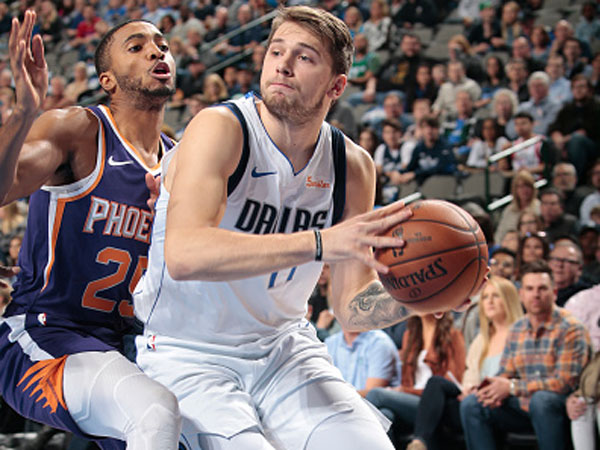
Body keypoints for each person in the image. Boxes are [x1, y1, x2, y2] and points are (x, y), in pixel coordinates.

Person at [133, 6, 473, 450]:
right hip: (189, 352)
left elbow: (350, 307)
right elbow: (184, 255)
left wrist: (422, 296)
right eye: (276, 51)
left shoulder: (352, 166)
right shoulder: (221, 128)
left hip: (284, 349)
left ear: (337, 86)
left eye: (305, 57)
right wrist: (320, 242)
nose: (283, 64)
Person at [0, 13, 182, 448]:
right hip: (45, 335)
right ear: (108, 80)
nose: (158, 51)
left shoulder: (181, 162)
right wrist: (25, 111)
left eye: (162, 44)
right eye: (136, 47)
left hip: (134, 348)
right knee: (154, 412)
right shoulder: (79, 130)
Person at [460, 261, 591, 450]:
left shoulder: (571, 328)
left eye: (542, 288)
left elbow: (564, 383)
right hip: (522, 404)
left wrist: (512, 387)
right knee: (473, 404)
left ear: (554, 292)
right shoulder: (517, 329)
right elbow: (506, 372)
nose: (535, 294)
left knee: (542, 400)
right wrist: (488, 389)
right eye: (529, 289)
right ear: (521, 295)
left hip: (561, 404)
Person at [406, 277, 523, 450]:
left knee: (439, 410)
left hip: (503, 401)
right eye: (485, 297)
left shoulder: (521, 334)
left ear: (509, 300)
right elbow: (470, 375)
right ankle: (420, 442)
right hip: (475, 396)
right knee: (436, 387)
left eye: (496, 296)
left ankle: (421, 439)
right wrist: (468, 388)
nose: (489, 301)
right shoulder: (482, 339)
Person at [366, 313, 465, 443]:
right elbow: (407, 380)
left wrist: (406, 391)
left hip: (435, 404)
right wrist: (405, 391)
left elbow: (452, 381)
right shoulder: (410, 335)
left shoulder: (453, 335)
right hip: (410, 400)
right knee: (385, 415)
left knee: (376, 394)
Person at [325, 327, 401, 397]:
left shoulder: (380, 343)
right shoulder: (330, 343)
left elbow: (371, 395)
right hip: (337, 406)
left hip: (369, 408)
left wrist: (332, 398)